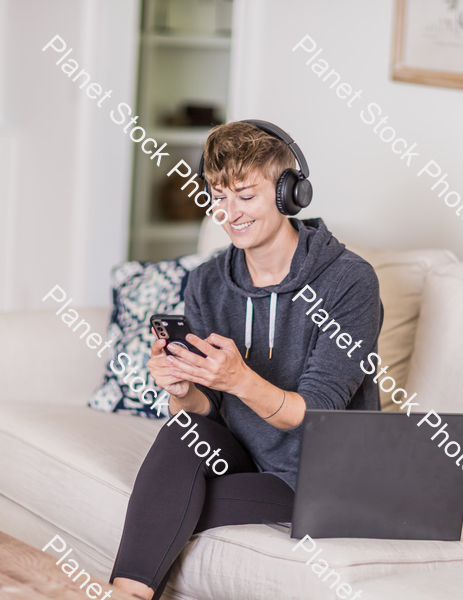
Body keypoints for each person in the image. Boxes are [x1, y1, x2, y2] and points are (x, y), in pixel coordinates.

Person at [110, 120, 383, 600]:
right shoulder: (208, 281)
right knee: (183, 432)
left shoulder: (350, 283)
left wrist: (239, 379)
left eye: (245, 196)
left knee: (164, 506)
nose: (228, 214)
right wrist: (184, 390)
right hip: (241, 457)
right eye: (218, 196)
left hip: (321, 478)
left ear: (289, 194)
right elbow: (206, 413)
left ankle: (127, 591)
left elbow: (317, 414)